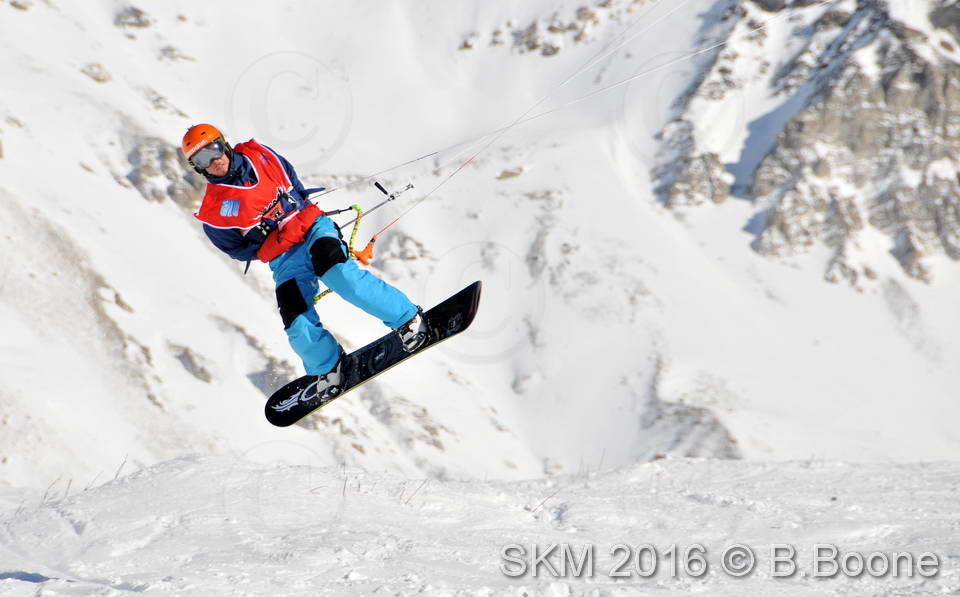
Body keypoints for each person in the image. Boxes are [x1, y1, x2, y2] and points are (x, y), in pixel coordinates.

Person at [181, 123, 428, 397]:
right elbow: (235, 248)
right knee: (295, 319)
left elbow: (292, 180)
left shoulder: (261, 155)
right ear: (197, 167)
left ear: (223, 144)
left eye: (214, 151)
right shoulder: (214, 213)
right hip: (283, 257)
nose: (214, 162)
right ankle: (328, 366)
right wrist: (265, 241)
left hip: (313, 230)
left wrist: (296, 214)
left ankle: (407, 319)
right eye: (201, 160)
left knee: (340, 275)